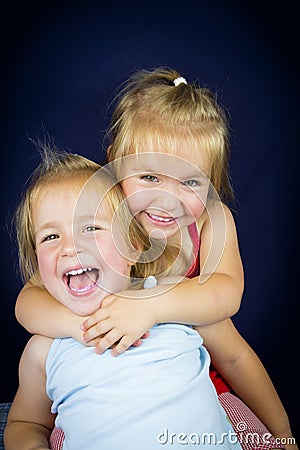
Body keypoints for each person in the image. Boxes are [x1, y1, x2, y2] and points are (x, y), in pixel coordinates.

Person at [14, 68, 297, 449]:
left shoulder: (213, 220)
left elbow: (227, 296)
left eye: (191, 181)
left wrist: (148, 307)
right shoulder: (101, 213)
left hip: (201, 384)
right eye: (149, 177)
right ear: (114, 166)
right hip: (105, 378)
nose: (168, 200)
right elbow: (30, 300)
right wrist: (87, 324)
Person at [5, 147, 241, 450]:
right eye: (50, 237)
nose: (69, 248)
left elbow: (236, 356)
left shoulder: (175, 300)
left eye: (90, 228)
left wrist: (283, 434)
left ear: (133, 246)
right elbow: (25, 423)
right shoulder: (45, 348)